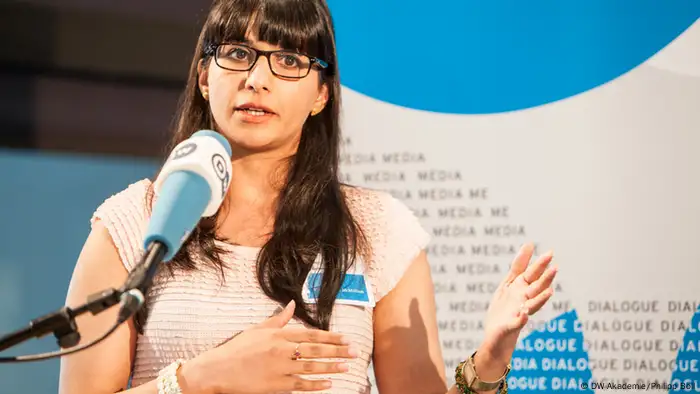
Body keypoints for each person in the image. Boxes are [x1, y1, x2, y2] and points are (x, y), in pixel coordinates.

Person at [58, 0, 558, 393]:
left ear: (322, 94)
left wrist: (491, 359)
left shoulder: (377, 228)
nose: (257, 79)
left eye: (288, 61)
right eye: (236, 54)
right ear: (204, 77)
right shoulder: (133, 223)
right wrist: (199, 379)